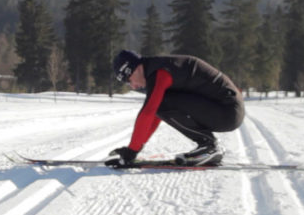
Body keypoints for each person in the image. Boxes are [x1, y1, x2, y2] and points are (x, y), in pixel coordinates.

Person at [105, 50, 244, 167]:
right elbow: (155, 114)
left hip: (228, 111)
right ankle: (208, 146)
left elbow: (148, 112)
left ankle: (209, 146)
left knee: (161, 103)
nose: (133, 86)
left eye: (128, 80)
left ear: (133, 68)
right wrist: (135, 149)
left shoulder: (160, 72)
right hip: (227, 109)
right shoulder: (156, 68)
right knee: (162, 103)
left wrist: (131, 151)